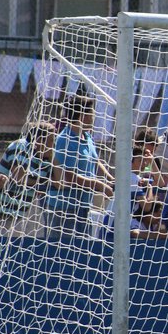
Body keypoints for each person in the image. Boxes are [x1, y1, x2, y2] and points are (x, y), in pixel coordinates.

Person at [43, 95, 113, 238]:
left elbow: (95, 161)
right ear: (82, 115)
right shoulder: (64, 139)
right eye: (92, 113)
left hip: (84, 205)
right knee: (61, 248)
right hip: (64, 208)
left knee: (83, 247)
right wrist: (99, 185)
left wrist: (110, 179)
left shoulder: (87, 137)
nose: (94, 117)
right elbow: (68, 176)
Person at [0, 122, 55, 237]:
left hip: (17, 217)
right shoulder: (20, 146)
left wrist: (55, 160)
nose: (54, 144)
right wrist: (43, 183)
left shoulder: (47, 160)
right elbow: (19, 177)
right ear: (40, 140)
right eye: (51, 140)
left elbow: (58, 182)